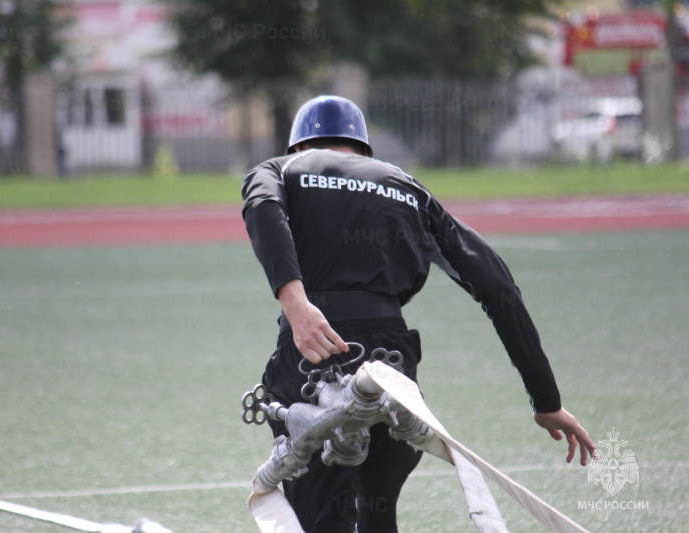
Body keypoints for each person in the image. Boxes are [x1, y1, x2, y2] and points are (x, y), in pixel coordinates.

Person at [241, 95, 595, 533]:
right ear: (364, 149)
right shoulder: (406, 187)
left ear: (299, 146)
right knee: (377, 511)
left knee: (322, 515)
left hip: (312, 358)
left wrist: (297, 306)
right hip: (393, 367)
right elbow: (498, 287)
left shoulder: (279, 170)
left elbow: (262, 210)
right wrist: (547, 401)